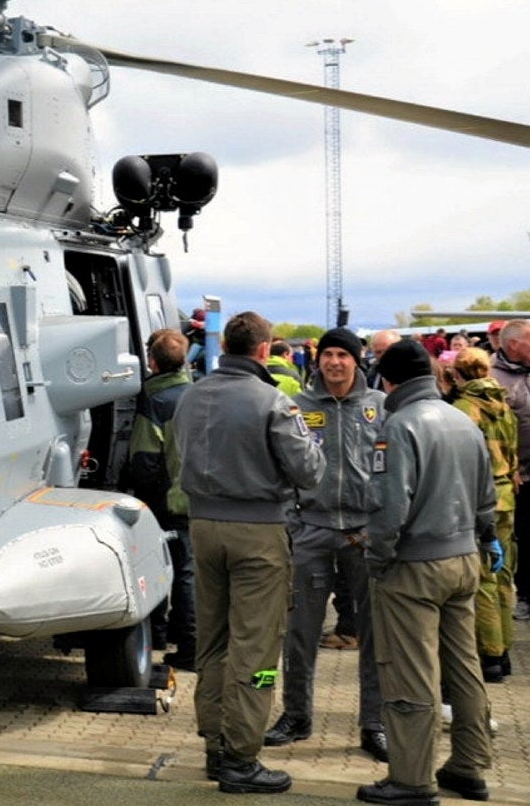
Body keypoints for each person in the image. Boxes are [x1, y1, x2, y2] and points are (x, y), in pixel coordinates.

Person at [175, 310, 323, 794]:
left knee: (213, 640)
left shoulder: (192, 395)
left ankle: (216, 745)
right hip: (257, 531)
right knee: (255, 647)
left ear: (224, 347)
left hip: (203, 526)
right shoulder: (272, 401)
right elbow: (308, 472)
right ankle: (241, 756)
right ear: (263, 349)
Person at [357, 339, 495, 806]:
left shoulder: (398, 426)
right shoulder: (462, 420)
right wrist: (484, 538)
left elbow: (389, 505)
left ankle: (412, 779)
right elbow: (485, 497)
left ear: (388, 380)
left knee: (410, 671)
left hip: (414, 565)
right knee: (464, 667)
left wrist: (377, 558)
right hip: (463, 557)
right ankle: (469, 765)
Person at [264, 328, 388, 763]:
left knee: (375, 634)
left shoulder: (380, 407)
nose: (335, 362)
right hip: (311, 532)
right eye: (328, 355)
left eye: (343, 355)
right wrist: (293, 521)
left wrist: (381, 523)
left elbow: (394, 469)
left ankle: (375, 723)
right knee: (299, 631)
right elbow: (280, 467)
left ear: (357, 359)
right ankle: (296, 715)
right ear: (317, 361)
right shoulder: (297, 406)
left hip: (363, 533)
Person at [448, 347, 520, 682]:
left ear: (457, 374)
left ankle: (490, 654)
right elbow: (514, 452)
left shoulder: (463, 410)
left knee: (483, 579)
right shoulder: (504, 405)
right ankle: (504, 649)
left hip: (481, 498)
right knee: (503, 575)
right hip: (507, 494)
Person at [124, 327, 195, 667]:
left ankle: (166, 637)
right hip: (197, 498)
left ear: (152, 361)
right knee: (188, 571)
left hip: (165, 502)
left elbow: (144, 460)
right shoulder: (197, 395)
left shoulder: (154, 401)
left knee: (163, 570)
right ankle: (188, 639)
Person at [491, 321, 530, 621]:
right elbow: (494, 431)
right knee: (521, 535)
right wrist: (510, 468)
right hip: (522, 474)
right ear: (513, 345)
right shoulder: (494, 379)